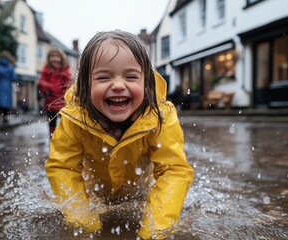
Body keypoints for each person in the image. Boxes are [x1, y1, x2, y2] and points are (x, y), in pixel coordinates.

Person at [45, 30, 194, 239]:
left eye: (131, 76)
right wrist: (85, 223)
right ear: (86, 85)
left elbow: (173, 171)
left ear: (146, 82)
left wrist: (153, 230)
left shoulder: (160, 118)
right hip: (96, 191)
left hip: (139, 191)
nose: (117, 85)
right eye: (103, 77)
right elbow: (63, 168)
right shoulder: (73, 118)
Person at [38, 48, 72, 136]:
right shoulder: (46, 70)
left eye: (57, 56)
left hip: (62, 103)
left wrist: (65, 94)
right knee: (51, 125)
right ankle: (53, 142)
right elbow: (42, 83)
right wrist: (49, 88)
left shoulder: (65, 70)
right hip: (50, 103)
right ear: (49, 58)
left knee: (66, 125)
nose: (54, 59)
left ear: (61, 58)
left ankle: (66, 142)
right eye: (52, 56)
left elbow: (68, 85)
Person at [0, 50, 17, 123]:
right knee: (6, 102)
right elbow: (14, 78)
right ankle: (5, 117)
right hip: (7, 87)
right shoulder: (10, 67)